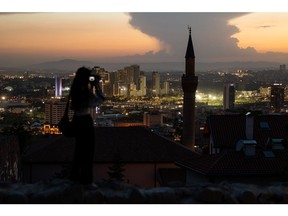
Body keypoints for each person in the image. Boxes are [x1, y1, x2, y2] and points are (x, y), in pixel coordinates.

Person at [69, 66, 105, 188]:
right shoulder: (85, 92)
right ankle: (87, 180)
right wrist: (96, 86)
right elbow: (100, 100)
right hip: (85, 121)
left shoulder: (74, 89)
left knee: (78, 150)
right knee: (89, 151)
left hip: (76, 120)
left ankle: (74, 177)